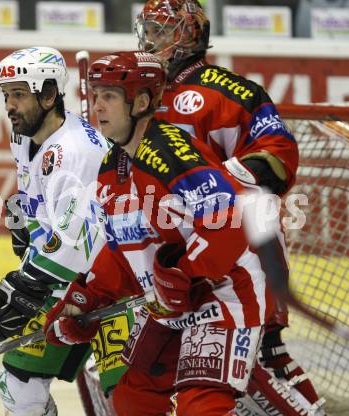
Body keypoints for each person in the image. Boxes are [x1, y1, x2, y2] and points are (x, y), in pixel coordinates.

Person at [44, 50, 276, 416]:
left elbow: (229, 220)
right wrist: (87, 298)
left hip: (224, 294)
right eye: (95, 94)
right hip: (170, 303)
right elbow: (127, 249)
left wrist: (186, 271)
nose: (97, 106)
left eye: (109, 96)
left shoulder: (169, 150)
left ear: (141, 101)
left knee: (202, 407)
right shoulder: (113, 166)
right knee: (133, 399)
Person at [135, 1, 325, 414]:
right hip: (189, 251)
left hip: (245, 242)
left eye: (161, 31)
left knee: (266, 357)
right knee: (202, 372)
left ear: (189, 35)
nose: (150, 40)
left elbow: (278, 153)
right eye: (147, 29)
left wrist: (215, 189)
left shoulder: (228, 90)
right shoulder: (144, 92)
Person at [0, 46, 110, 415]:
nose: (9, 106)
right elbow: (38, 199)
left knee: (127, 400)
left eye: (19, 94)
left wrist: (22, 288)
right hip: (66, 282)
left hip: (114, 287)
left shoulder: (75, 151)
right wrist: (26, 222)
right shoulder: (24, 136)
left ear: (49, 94)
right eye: (6, 95)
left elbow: (77, 242)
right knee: (20, 385)